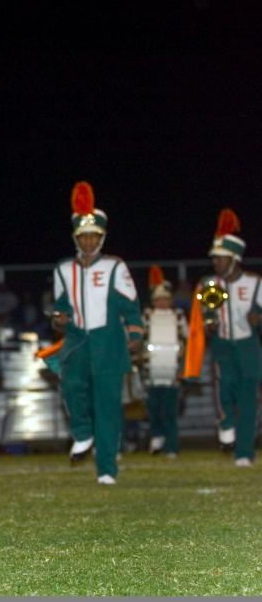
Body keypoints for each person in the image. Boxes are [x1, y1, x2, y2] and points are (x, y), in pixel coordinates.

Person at [51, 182, 143, 485]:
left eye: (94, 236)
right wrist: (59, 319)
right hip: (78, 338)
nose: (89, 241)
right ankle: (82, 432)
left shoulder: (116, 266)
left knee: (107, 406)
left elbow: (131, 306)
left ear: (102, 237)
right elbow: (59, 308)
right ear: (76, 237)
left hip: (109, 341)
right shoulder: (63, 269)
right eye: (84, 236)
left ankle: (106, 469)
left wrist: (134, 334)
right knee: (71, 383)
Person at [184, 209, 261, 466]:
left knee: (249, 398)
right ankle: (226, 422)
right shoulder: (209, 284)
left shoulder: (254, 283)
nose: (215, 262)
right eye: (214, 258)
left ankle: (244, 452)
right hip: (223, 344)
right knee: (224, 388)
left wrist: (258, 319)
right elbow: (204, 316)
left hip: (249, 344)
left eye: (221, 258)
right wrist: (209, 324)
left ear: (235, 258)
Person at [144, 266, 187, 458]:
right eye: (158, 300)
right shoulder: (146, 316)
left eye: (165, 299)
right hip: (150, 370)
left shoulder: (178, 317)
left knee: (170, 411)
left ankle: (171, 447)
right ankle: (156, 437)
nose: (162, 303)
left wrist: (183, 363)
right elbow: (138, 339)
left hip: (172, 371)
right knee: (153, 409)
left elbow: (188, 339)